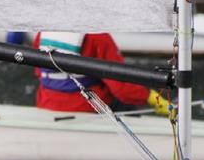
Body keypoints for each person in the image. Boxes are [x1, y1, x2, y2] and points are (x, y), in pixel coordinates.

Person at [34, 32, 172, 115]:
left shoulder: (43, 33)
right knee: (126, 103)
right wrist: (152, 98)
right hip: (88, 110)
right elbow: (123, 89)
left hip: (46, 105)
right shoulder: (98, 37)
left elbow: (39, 72)